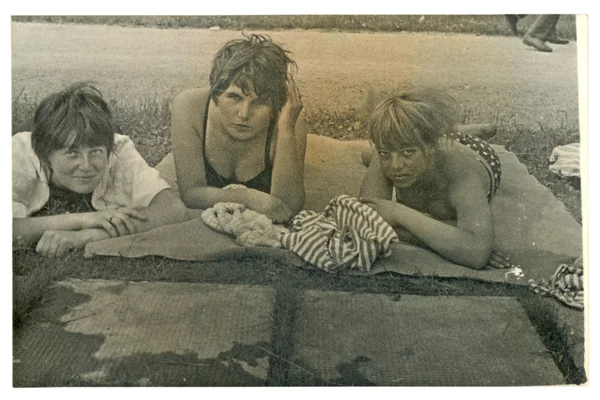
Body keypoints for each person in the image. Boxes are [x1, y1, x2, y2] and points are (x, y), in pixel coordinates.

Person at [12, 83, 189, 257]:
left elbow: (174, 210)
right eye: (72, 154)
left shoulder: (118, 149)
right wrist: (83, 219)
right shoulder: (19, 152)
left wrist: (86, 236)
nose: (86, 165)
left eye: (95, 152)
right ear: (45, 157)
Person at [359, 89, 510, 270]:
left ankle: (464, 133)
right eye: (385, 153)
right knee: (366, 153)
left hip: (477, 152)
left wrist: (397, 213)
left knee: (404, 143)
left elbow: (477, 254)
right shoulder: (391, 154)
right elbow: (366, 223)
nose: (395, 165)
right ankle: (453, 132)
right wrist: (451, 241)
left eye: (408, 152)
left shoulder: (462, 173)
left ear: (431, 146)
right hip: (431, 140)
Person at [170, 34, 307, 223]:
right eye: (234, 97)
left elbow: (287, 207)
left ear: (277, 102)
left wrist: (286, 130)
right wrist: (248, 197)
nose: (244, 114)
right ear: (216, 92)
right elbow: (191, 193)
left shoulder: (287, 121)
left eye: (260, 102)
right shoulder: (190, 107)